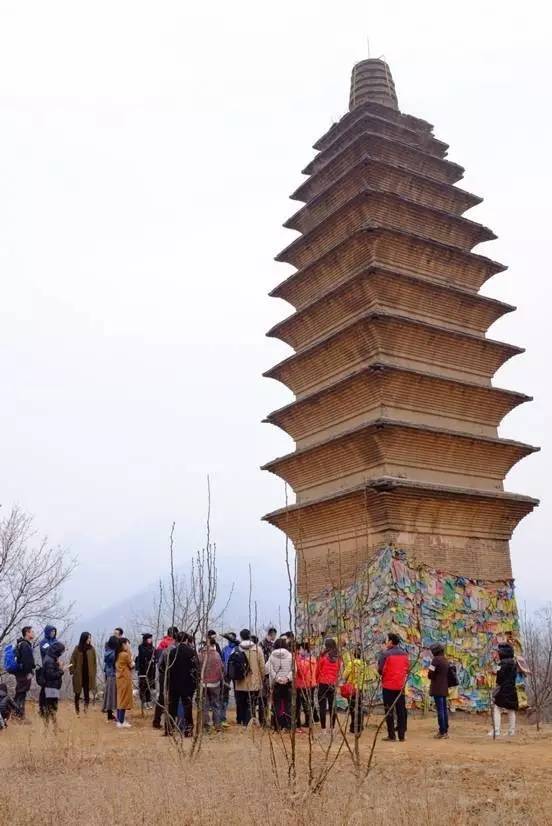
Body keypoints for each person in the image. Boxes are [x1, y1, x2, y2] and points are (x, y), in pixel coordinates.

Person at [378, 632, 409, 742]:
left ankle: (391, 735)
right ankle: (401, 735)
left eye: (387, 640)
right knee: (401, 711)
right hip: (400, 686)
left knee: (389, 711)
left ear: (391, 642)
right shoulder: (405, 654)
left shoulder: (386, 654)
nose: (386, 642)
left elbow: (380, 670)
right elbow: (407, 669)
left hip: (388, 686)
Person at [166, 632, 198, 737]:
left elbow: (167, 669)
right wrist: (195, 684)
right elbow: (195, 669)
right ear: (186, 640)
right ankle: (188, 730)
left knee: (172, 707)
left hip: (174, 684)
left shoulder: (172, 652)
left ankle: (169, 729)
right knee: (187, 707)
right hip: (187, 684)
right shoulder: (191, 652)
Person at [232, 629, 265, 727]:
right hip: (254, 682)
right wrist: (262, 678)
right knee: (251, 704)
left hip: (240, 682)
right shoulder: (258, 649)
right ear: (250, 636)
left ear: (241, 637)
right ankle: (249, 722)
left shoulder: (236, 649)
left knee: (241, 703)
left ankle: (242, 722)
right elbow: (262, 666)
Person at [489, 642, 519, 737]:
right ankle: (511, 732)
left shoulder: (502, 664)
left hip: (503, 689)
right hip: (512, 689)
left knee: (497, 708)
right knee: (511, 710)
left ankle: (496, 731)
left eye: (499, 652)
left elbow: (500, 678)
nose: (498, 653)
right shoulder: (514, 663)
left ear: (503, 652)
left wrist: (495, 674)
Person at [152, 626, 178, 729]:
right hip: (171, 675)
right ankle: (170, 722)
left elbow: (158, 663)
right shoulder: (174, 645)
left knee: (162, 698)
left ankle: (156, 720)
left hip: (162, 674)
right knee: (171, 698)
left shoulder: (161, 644)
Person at [198, 635, 224, 732]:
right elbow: (222, 668)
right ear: (214, 644)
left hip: (203, 683)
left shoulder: (201, 654)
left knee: (205, 705)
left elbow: (197, 667)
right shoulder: (217, 655)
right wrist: (221, 679)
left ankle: (206, 726)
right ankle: (217, 725)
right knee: (216, 704)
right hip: (215, 683)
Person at [266, 638, 293, 731]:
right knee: (288, 705)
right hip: (287, 683)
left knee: (276, 705)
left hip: (276, 684)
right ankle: (288, 726)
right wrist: (287, 678)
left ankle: (277, 725)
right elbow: (294, 669)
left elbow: (268, 669)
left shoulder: (272, 656)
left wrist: (277, 678)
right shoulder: (290, 655)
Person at [317, 638, 341, 735]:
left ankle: (323, 729)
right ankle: (332, 728)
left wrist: (317, 680)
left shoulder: (323, 657)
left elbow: (318, 670)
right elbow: (338, 671)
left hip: (323, 683)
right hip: (332, 684)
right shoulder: (338, 658)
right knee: (332, 706)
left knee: (322, 707)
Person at [69, 632, 97, 716]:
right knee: (77, 693)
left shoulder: (92, 649)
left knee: (86, 693)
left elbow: (94, 662)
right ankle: (77, 710)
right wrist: (72, 671)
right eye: (88, 638)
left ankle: (86, 709)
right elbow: (72, 660)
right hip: (79, 674)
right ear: (84, 638)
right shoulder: (77, 649)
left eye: (90, 638)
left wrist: (94, 673)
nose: (89, 639)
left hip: (88, 675)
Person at [343, 645, 369, 735]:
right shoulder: (364, 664)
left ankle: (353, 728)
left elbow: (345, 675)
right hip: (360, 688)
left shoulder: (351, 664)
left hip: (352, 688)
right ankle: (360, 726)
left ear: (354, 654)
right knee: (359, 707)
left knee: (352, 709)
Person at [427, 643, 450, 739]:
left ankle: (442, 731)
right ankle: (445, 730)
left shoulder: (435, 660)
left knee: (440, 710)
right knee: (444, 710)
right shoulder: (445, 660)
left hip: (437, 688)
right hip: (444, 688)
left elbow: (430, 674)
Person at [295, 640, 318, 730]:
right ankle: (310, 720)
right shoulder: (313, 659)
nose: (299, 651)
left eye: (300, 649)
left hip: (304, 684)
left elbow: (302, 672)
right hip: (311, 683)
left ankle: (308, 721)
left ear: (305, 650)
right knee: (309, 702)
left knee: (304, 704)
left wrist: (298, 660)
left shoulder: (305, 661)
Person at [42, 640, 65, 729]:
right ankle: (48, 727)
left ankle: (54, 726)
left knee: (53, 708)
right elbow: (51, 675)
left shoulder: (51, 658)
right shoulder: (49, 661)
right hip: (51, 687)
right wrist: (61, 670)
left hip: (53, 686)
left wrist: (58, 665)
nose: (61, 654)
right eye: (61, 652)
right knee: (51, 708)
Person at [14, 626, 35, 720]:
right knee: (21, 694)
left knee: (19, 693)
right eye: (32, 632)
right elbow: (27, 662)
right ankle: (19, 716)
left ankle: (16, 715)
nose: (33, 633)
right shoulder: (25, 645)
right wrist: (29, 673)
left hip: (20, 673)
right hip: (24, 674)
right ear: (27, 633)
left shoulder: (21, 643)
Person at [220, 631, 238, 727]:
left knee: (238, 695)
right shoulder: (224, 649)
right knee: (224, 695)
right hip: (226, 675)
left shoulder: (238, 649)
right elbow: (221, 661)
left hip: (236, 676)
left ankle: (239, 717)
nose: (229, 641)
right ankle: (222, 717)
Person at [38, 624, 57, 717]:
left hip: (55, 667)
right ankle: (43, 708)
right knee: (45, 688)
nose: (53, 633)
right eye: (51, 631)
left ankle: (52, 709)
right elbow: (49, 651)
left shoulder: (55, 641)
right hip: (46, 668)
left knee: (54, 687)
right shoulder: (43, 642)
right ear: (47, 632)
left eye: (54, 631)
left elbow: (58, 651)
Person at [115, 637, 134, 729]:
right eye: (127, 644)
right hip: (125, 679)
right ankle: (121, 721)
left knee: (120, 699)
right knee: (124, 700)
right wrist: (130, 653)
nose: (128, 645)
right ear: (123, 645)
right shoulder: (125, 655)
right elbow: (132, 665)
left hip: (120, 679)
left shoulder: (118, 654)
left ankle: (119, 720)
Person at [136, 633, 156, 709]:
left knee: (149, 686)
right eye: (149, 638)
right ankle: (143, 702)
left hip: (151, 669)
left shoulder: (152, 648)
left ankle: (148, 701)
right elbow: (144, 655)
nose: (150, 640)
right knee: (143, 686)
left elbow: (154, 656)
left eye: (151, 638)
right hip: (143, 670)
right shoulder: (141, 647)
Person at [102, 636, 119, 722]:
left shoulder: (107, 652)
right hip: (113, 675)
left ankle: (109, 714)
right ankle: (113, 715)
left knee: (109, 695)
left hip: (108, 675)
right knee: (113, 695)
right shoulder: (113, 654)